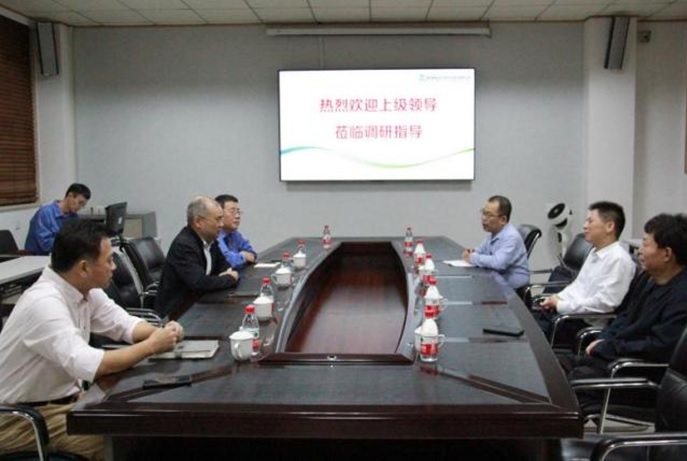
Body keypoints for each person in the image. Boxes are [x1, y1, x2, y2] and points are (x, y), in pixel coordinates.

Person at [0, 220, 183, 460]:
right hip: (19, 420)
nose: (113, 267)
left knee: (142, 424)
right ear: (84, 268)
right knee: (128, 439)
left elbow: (124, 324)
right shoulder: (44, 304)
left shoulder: (84, 289)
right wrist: (151, 346)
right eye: (109, 260)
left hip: (62, 405)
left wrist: (162, 333)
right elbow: (93, 364)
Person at [560, 213, 687, 409]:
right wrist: (603, 339)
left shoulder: (681, 297)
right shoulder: (647, 278)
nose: (639, 251)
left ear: (667, 254)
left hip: (639, 375)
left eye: (645, 244)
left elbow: (656, 348)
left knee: (561, 386)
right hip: (615, 359)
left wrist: (607, 347)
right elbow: (624, 316)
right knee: (553, 366)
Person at [534, 201, 636, 343]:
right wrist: (556, 298)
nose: (585, 226)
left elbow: (603, 304)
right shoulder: (594, 252)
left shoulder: (618, 260)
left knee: (529, 334)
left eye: (590, 221)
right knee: (526, 321)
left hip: (583, 327)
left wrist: (561, 305)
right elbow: (578, 286)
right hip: (569, 315)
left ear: (609, 226)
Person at [155, 196, 239, 318]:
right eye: (218, 219)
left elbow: (225, 267)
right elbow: (199, 283)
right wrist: (230, 279)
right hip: (179, 313)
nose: (221, 224)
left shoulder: (211, 240)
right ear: (198, 222)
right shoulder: (184, 245)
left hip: (202, 303)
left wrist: (223, 277)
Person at [462, 195, 530, 292]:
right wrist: (471, 252)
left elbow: (498, 263)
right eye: (483, 213)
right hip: (497, 281)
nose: (484, 218)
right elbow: (480, 250)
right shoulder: (494, 233)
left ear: (503, 220)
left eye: (489, 215)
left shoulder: (511, 237)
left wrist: (472, 257)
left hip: (514, 291)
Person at [24, 183, 91, 255]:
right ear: (70, 196)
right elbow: (46, 245)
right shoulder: (45, 213)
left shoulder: (74, 217)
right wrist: (70, 242)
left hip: (60, 254)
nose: (80, 207)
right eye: (80, 203)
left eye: (83, 205)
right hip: (37, 256)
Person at [215, 194, 257, 270]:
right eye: (232, 212)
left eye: (238, 212)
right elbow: (226, 260)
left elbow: (252, 253)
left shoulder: (234, 234)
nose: (237, 216)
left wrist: (240, 256)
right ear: (219, 214)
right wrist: (243, 256)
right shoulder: (215, 234)